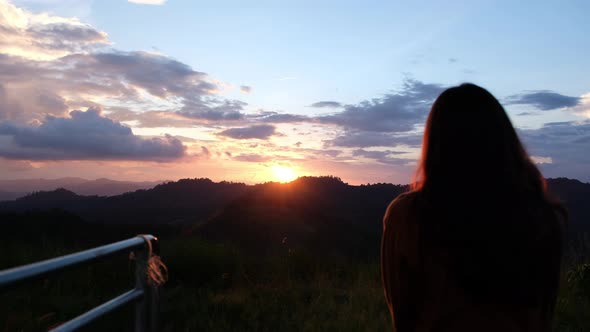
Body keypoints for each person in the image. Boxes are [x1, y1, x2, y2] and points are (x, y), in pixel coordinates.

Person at [381, 83, 566, 332]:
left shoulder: (408, 218)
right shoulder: (541, 218)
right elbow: (543, 317)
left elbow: (403, 319)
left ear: (436, 144)